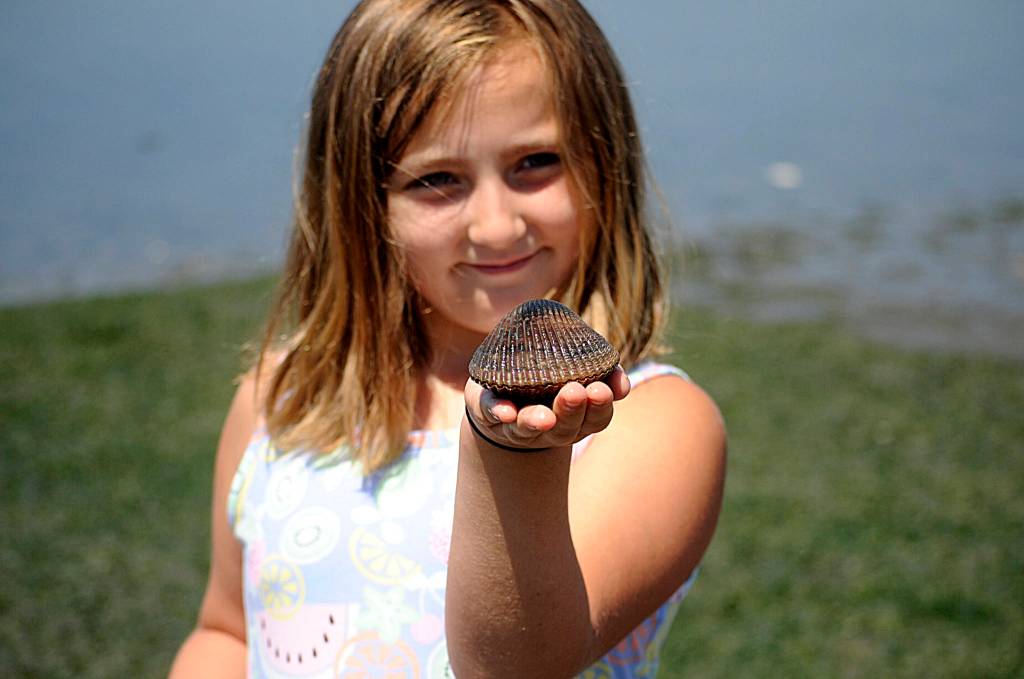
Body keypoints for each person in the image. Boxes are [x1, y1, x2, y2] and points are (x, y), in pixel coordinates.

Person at [170, 1, 726, 676]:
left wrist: (510, 452)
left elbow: (517, 666)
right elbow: (226, 630)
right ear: (362, 201)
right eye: (438, 179)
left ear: (605, 170)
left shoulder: (651, 422)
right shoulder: (279, 402)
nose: (496, 226)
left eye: (536, 162)